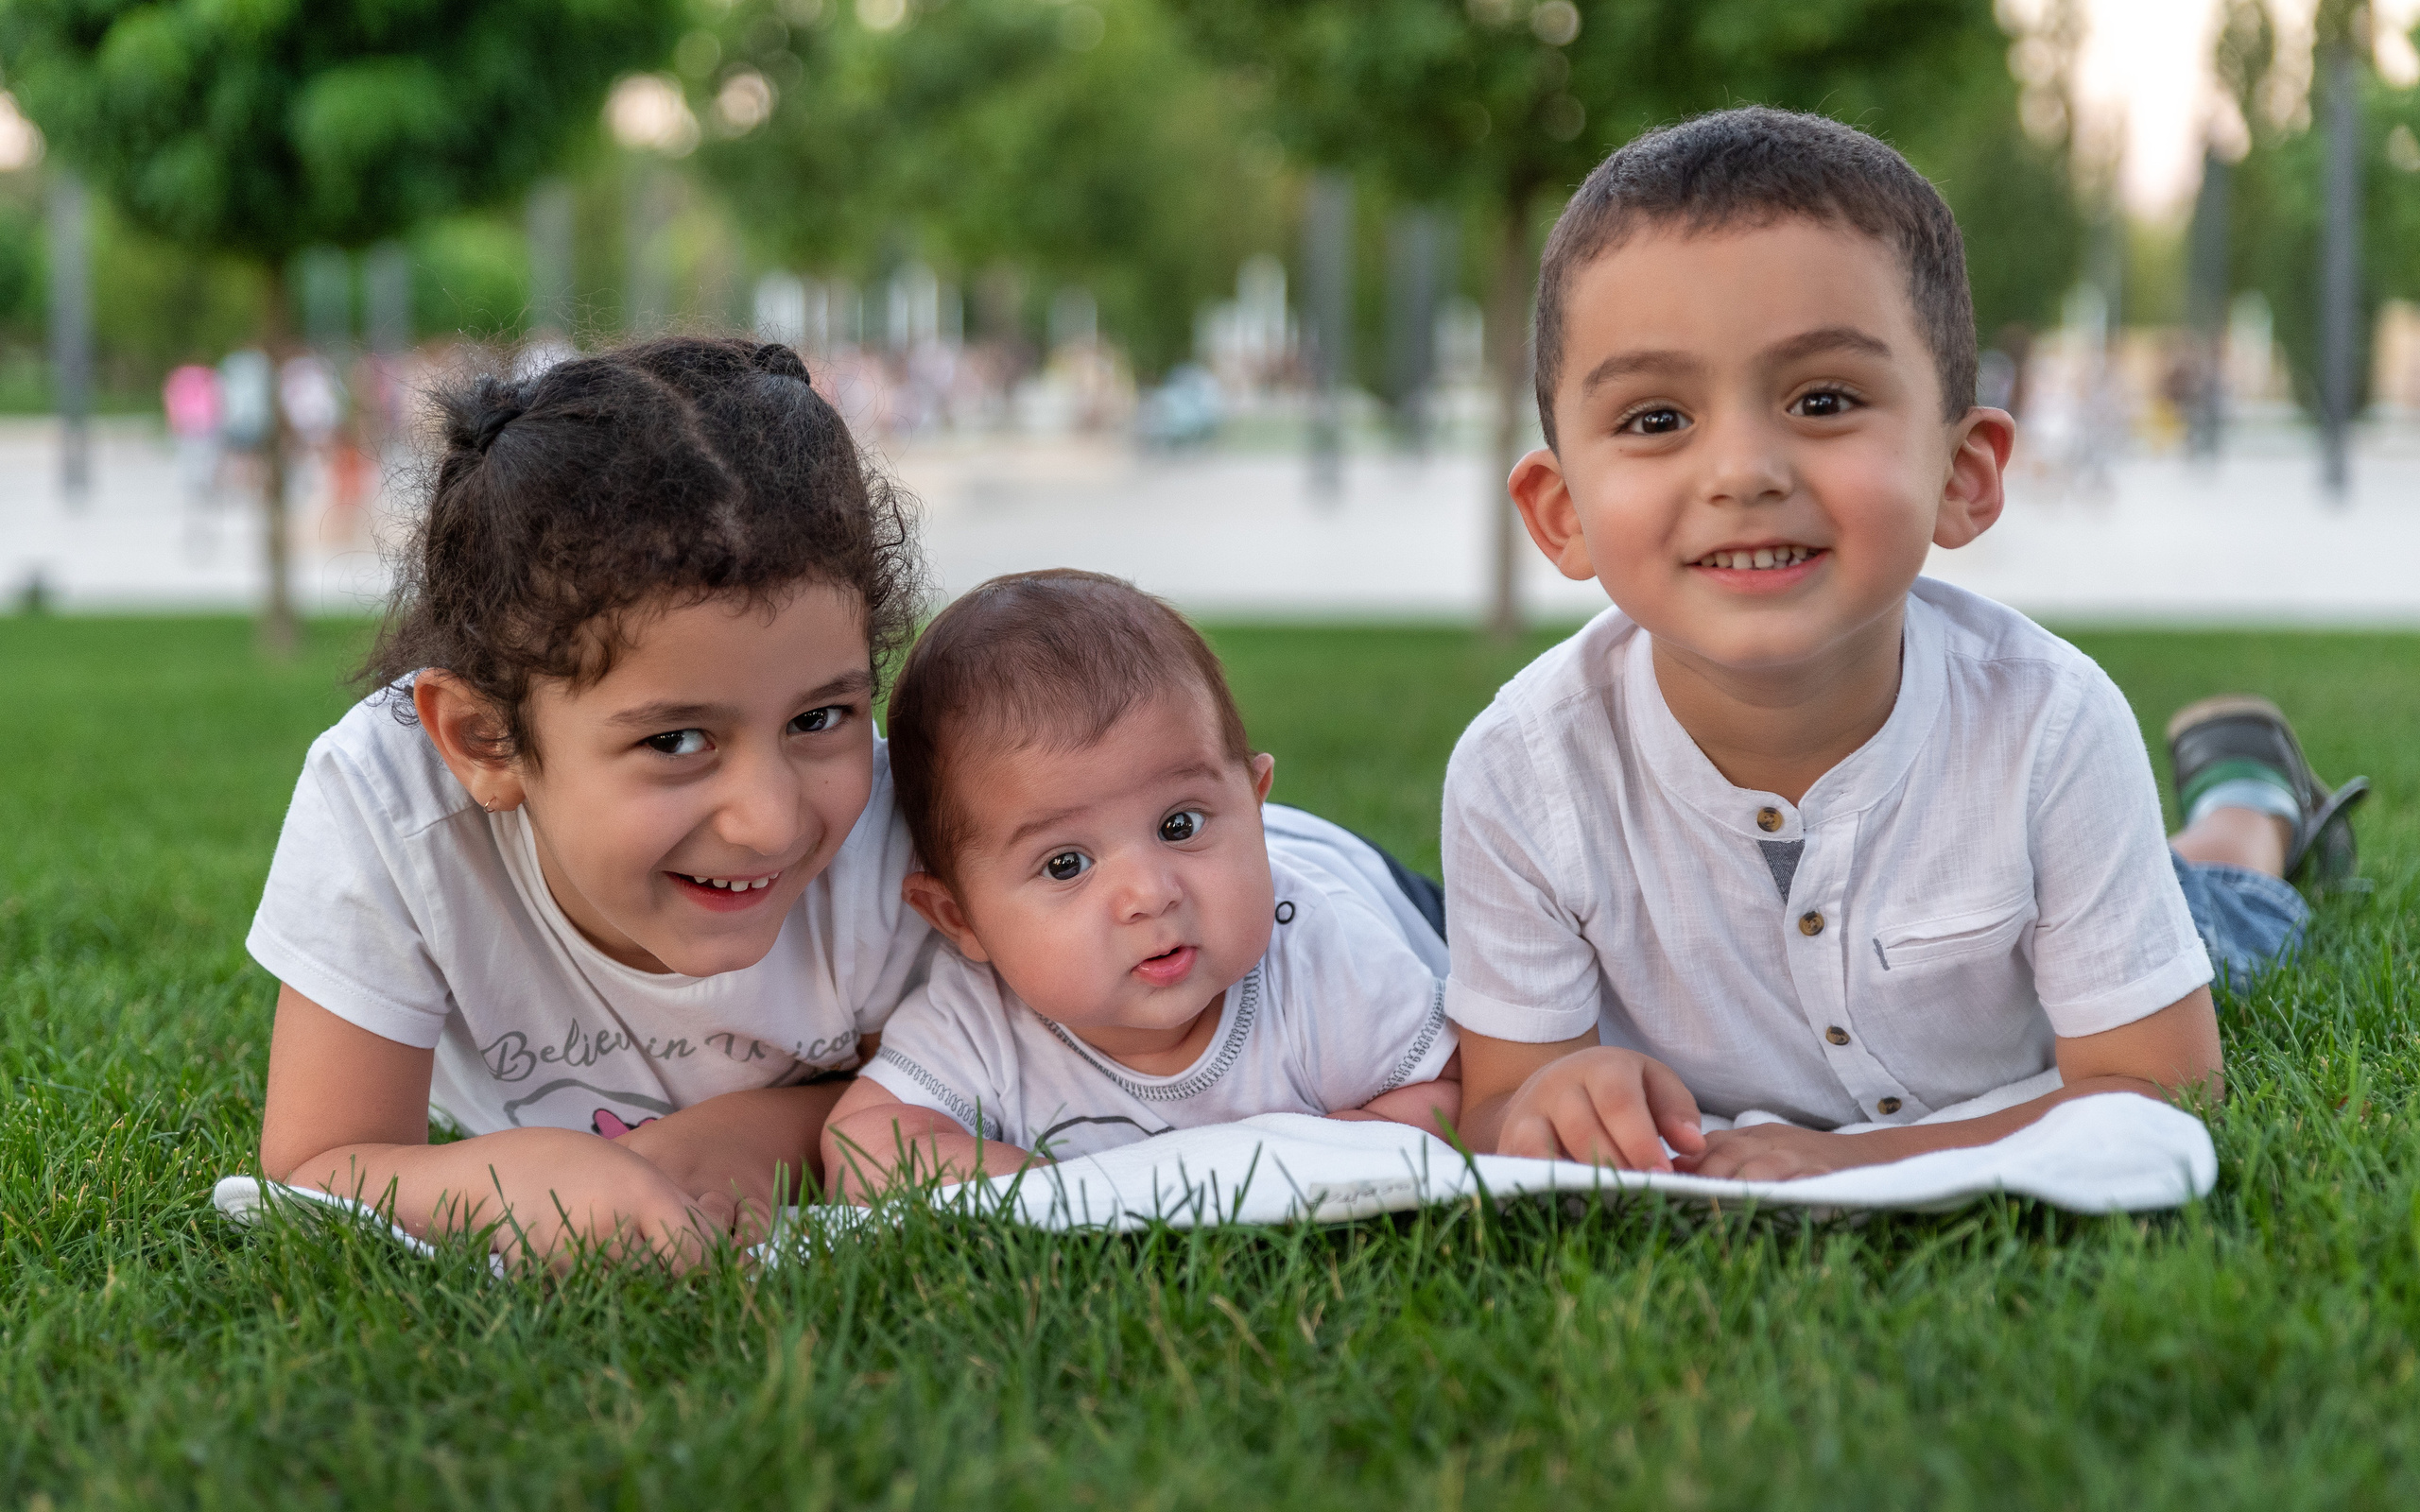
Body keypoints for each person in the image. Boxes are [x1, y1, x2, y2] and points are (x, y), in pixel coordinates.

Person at [1444, 108, 2367, 1180]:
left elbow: (2159, 1084)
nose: (1742, 472)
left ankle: (2251, 802)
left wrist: (1849, 1160)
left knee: (2224, 911)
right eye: (1657, 419)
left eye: (1822, 399)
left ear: (1962, 475)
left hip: (2074, 960)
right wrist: (1550, 1103)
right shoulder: (1521, 774)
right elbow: (1497, 1103)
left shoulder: (2051, 726)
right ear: (1559, 512)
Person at [251, 336, 931, 1268]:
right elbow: (320, 1161)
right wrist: (511, 1178)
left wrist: (764, 1134)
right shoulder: (393, 804)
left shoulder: (899, 843)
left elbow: (989, 1095)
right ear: (485, 741)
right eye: (677, 741)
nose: (770, 820)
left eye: (820, 718)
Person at [820, 571, 1459, 1200]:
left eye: (1180, 825)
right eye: (1065, 864)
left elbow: (1455, 1089)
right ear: (959, 919)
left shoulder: (1323, 959)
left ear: (1253, 802)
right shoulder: (978, 1016)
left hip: (1370, 882)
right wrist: (1056, 1191)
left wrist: (1329, 1151)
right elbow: (864, 1145)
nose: (1150, 895)